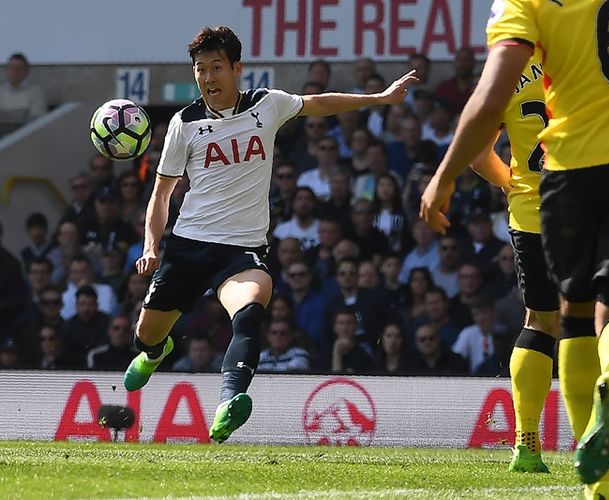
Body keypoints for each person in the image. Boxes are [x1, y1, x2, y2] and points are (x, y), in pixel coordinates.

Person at [420, 1, 609, 495]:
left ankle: (564, 463)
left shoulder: (526, 9)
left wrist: (446, 177)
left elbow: (487, 106)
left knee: (560, 321)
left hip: (557, 185)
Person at [121, 25, 417, 444]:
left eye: (216, 67)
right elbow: (161, 194)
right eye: (200, 69)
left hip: (240, 250)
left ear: (237, 69)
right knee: (145, 334)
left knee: (252, 308)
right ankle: (155, 352)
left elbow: (320, 103)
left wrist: (379, 98)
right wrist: (152, 245)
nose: (207, 78)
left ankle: (229, 400)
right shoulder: (183, 124)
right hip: (188, 248)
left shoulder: (267, 105)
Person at [0, 53, 47, 136]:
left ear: (26, 71)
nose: (14, 71)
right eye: (11, 67)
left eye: (18, 68)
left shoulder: (35, 92)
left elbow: (37, 122)